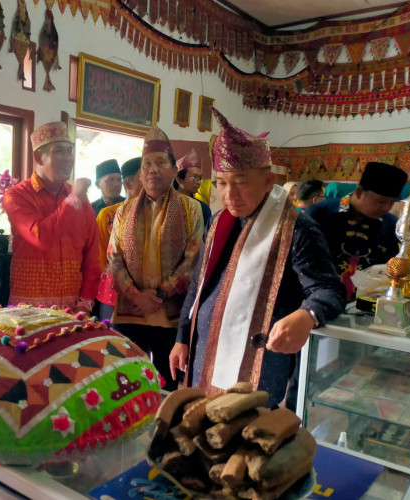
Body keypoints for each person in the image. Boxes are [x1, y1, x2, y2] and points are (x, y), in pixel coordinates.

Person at [169, 108, 345, 408]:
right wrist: (182, 337)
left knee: (246, 442)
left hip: (258, 366)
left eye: (240, 182)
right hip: (203, 353)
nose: (229, 194)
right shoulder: (217, 222)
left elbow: (329, 290)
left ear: (269, 180)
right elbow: (200, 284)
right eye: (222, 183)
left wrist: (308, 315)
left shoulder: (297, 229)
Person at [108, 126, 203, 389]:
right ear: (140, 172)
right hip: (130, 315)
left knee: (166, 385)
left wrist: (160, 295)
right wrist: (136, 295)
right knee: (127, 385)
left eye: (160, 163)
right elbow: (113, 257)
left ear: (174, 170)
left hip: (171, 316)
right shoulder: (123, 210)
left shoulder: (190, 209)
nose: (152, 169)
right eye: (146, 164)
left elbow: (193, 260)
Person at [3, 121, 99, 312]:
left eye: (69, 151)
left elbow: (93, 255)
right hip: (28, 311)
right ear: (38, 156)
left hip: (73, 311)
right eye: (59, 151)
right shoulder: (16, 196)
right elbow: (41, 237)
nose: (68, 159)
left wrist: (85, 303)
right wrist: (72, 202)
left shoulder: (80, 198)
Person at [306, 162, 407, 301]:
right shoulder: (321, 214)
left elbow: (390, 270)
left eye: (391, 202)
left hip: (364, 306)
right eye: (381, 201)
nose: (386, 208)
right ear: (359, 193)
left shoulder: (390, 224)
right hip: (317, 301)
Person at [95, 157, 142, 320]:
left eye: (118, 180)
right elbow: (100, 254)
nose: (116, 184)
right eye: (110, 180)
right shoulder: (105, 214)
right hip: (112, 288)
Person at [173, 148, 212, 228]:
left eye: (200, 178)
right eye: (195, 177)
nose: (199, 182)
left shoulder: (203, 209)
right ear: (179, 179)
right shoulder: (166, 204)